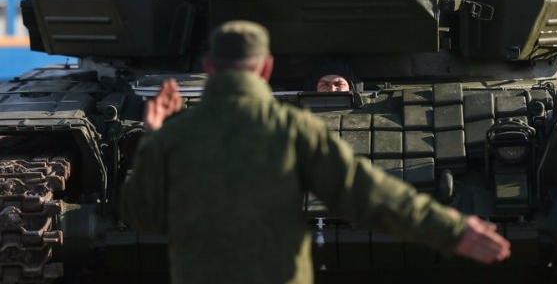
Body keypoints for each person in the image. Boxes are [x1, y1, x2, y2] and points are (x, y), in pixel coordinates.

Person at [121, 20, 510, 284]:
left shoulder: (177, 135)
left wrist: (152, 139)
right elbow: (364, 194)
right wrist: (452, 229)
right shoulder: (294, 129)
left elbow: (142, 216)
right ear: (265, 69)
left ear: (208, 66)